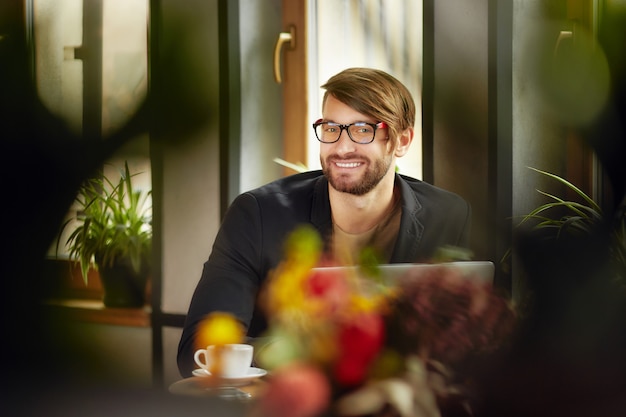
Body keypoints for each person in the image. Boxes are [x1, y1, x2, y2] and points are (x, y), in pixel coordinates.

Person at [177, 67, 471, 377]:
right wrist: (316, 350)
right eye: (331, 128)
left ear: (402, 141)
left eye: (362, 129)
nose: (342, 147)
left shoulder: (448, 216)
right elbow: (197, 350)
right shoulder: (258, 215)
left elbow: (464, 348)